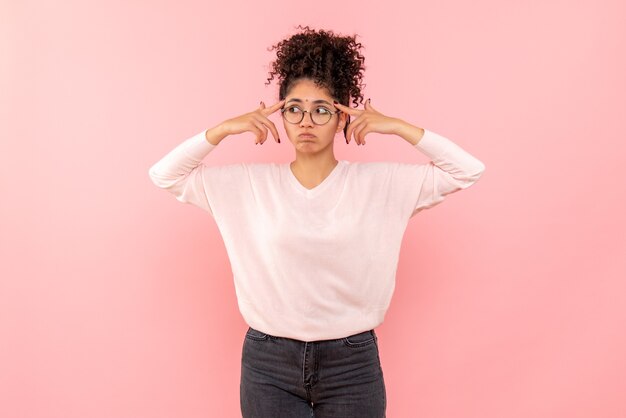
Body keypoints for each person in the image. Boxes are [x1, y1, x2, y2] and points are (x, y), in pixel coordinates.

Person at [148, 25, 485, 418]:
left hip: (352, 363)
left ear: (343, 116)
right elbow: (164, 175)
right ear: (281, 114)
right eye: (294, 108)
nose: (306, 121)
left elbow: (467, 170)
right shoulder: (245, 186)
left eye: (322, 109)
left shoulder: (380, 184)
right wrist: (222, 130)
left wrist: (397, 127)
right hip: (267, 362)